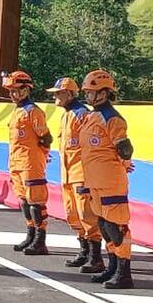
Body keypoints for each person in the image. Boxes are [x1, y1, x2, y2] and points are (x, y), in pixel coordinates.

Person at [78, 69, 136, 289]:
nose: (88, 96)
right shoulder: (93, 115)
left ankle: (124, 271)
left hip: (110, 181)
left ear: (103, 93)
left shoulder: (112, 118)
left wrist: (124, 157)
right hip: (96, 181)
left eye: (92, 92)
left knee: (116, 226)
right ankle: (112, 265)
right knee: (103, 224)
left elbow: (124, 148)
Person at [45, 77, 102, 271]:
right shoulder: (66, 115)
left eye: (58, 93)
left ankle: (96, 257)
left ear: (69, 94)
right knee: (72, 215)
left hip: (81, 174)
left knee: (88, 216)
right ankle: (84, 250)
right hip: (67, 174)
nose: (55, 97)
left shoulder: (82, 114)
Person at [3, 70, 52, 256]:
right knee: (24, 202)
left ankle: (41, 238)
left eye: (16, 90)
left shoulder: (34, 112)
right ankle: (30, 234)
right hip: (16, 162)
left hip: (30, 163)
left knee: (36, 202)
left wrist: (41, 155)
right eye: (10, 91)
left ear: (26, 90)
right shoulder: (17, 111)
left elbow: (45, 138)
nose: (12, 94)